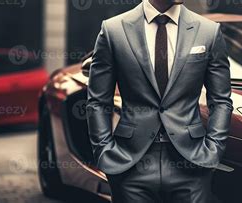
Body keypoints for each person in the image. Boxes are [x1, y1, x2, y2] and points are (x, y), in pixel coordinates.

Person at [86, 0, 233, 202]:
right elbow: (98, 102)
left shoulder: (208, 31)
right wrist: (104, 151)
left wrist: (213, 150)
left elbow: (221, 101)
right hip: (130, 163)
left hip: (192, 163)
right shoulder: (113, 30)